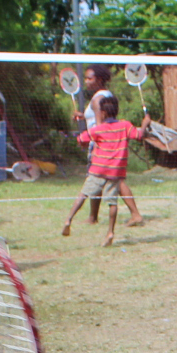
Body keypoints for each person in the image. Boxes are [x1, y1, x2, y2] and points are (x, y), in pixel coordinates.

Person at [62, 94, 148, 247]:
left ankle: (69, 219)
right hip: (115, 173)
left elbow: (81, 139)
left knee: (83, 194)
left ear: (102, 113)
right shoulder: (125, 126)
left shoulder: (98, 129)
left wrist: (81, 139)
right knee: (112, 203)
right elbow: (140, 135)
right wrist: (145, 123)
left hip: (97, 170)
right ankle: (110, 233)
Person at [81, 66, 146, 228]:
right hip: (111, 144)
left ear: (99, 80)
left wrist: (96, 147)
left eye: (90, 78)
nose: (86, 82)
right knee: (111, 179)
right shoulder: (107, 95)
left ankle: (134, 214)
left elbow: (100, 126)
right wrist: (82, 116)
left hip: (101, 146)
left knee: (103, 179)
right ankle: (93, 216)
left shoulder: (97, 99)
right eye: (86, 78)